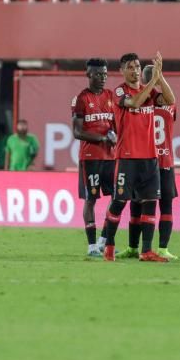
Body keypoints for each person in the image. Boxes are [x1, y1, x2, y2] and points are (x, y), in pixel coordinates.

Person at [100, 52, 175, 262]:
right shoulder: (118, 91)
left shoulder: (149, 92)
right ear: (122, 71)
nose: (135, 70)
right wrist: (152, 82)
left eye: (137, 66)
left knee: (150, 201)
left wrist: (160, 77)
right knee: (119, 202)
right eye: (130, 67)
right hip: (127, 157)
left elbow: (171, 99)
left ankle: (146, 251)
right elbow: (134, 103)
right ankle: (109, 244)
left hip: (150, 157)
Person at [72, 58, 117, 258]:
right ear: (88, 74)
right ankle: (91, 245)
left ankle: (103, 239)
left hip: (111, 157)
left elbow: (117, 124)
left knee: (117, 197)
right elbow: (76, 131)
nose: (102, 78)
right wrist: (102, 138)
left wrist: (115, 134)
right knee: (91, 199)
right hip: (90, 157)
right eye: (98, 74)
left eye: (105, 74)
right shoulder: (81, 99)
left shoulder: (111, 96)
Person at [143, 64, 179, 260]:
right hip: (166, 160)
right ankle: (163, 248)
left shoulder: (142, 101)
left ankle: (140, 247)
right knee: (166, 206)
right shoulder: (170, 103)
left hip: (145, 159)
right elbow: (171, 103)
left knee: (143, 205)